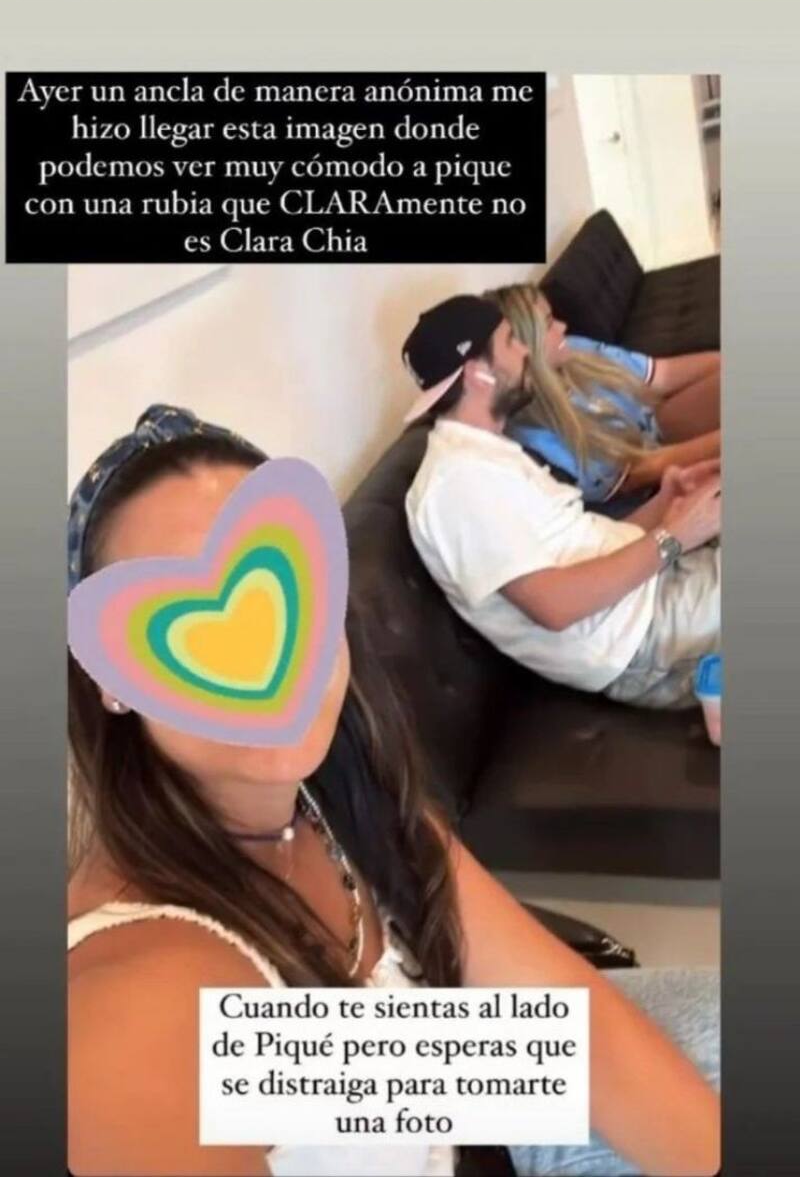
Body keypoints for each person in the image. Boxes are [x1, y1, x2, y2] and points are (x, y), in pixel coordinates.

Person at [68, 405, 719, 1177]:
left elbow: (584, 1038)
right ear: (110, 679)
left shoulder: (340, 800)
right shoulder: (134, 1001)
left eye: (281, 585)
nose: (262, 661)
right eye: (179, 627)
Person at [403, 296, 721, 710]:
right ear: (478, 373)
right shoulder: (456, 484)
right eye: (511, 341)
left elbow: (586, 543)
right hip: (640, 638)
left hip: (649, 590)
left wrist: (668, 499)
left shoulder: (485, 453)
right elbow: (555, 606)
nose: (526, 350)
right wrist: (673, 537)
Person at [483, 283, 720, 505]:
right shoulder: (533, 433)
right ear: (526, 344)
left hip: (654, 428)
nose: (562, 326)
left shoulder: (573, 348)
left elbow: (663, 374)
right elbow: (635, 475)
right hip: (645, 483)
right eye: (549, 323)